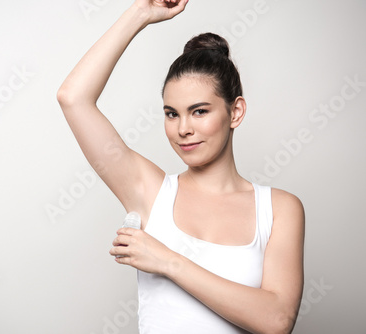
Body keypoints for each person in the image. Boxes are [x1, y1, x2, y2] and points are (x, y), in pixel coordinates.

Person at [57, 0, 304, 333]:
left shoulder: (278, 209)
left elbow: (277, 320)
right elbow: (73, 97)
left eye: (199, 111)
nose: (182, 129)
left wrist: (168, 261)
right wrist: (141, 13)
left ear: (235, 112)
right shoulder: (150, 192)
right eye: (172, 113)